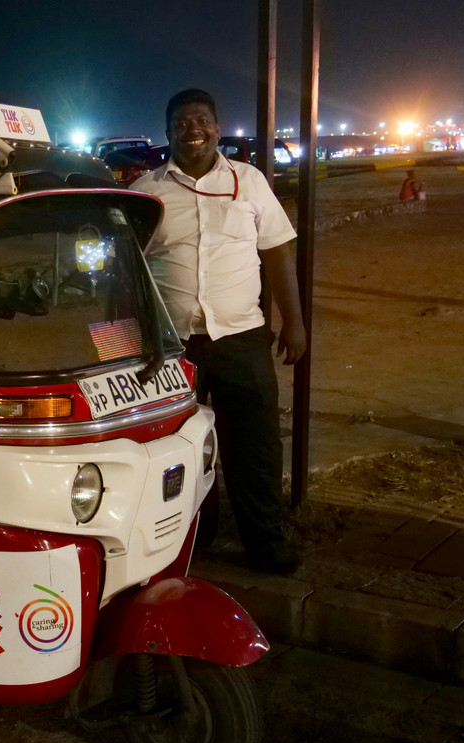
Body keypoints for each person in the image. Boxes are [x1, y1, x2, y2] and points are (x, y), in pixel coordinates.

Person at [131, 88, 307, 574]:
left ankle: (264, 542)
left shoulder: (247, 182)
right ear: (168, 132)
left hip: (243, 338)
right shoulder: (145, 193)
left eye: (202, 120)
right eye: (183, 122)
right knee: (177, 450)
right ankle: (191, 542)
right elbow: (128, 273)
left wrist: (294, 322)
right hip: (171, 349)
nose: (194, 130)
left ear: (217, 127)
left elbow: (276, 252)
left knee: (255, 447)